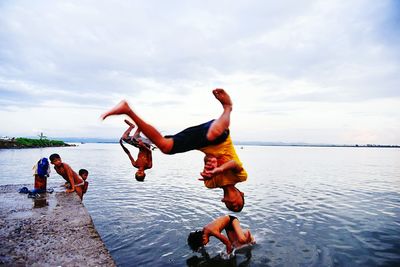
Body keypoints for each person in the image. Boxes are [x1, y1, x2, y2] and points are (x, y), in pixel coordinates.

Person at [101, 88, 247, 212]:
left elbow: (208, 159)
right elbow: (234, 163)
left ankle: (127, 110)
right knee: (214, 134)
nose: (234, 205)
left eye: (231, 207)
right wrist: (219, 170)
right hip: (220, 138)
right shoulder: (241, 177)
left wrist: (210, 164)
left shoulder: (210, 184)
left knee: (165, 147)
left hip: (200, 144)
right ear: (241, 194)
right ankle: (228, 107)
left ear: (224, 201)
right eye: (238, 204)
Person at [187, 215, 255, 254]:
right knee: (235, 245)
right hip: (227, 226)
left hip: (232, 220)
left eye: (203, 244)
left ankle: (247, 233)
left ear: (203, 238)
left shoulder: (212, 231)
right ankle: (242, 234)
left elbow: (227, 242)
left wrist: (228, 255)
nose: (205, 245)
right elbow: (197, 240)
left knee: (242, 240)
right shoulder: (202, 233)